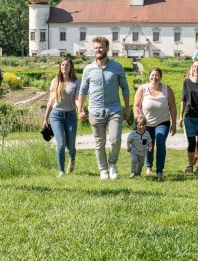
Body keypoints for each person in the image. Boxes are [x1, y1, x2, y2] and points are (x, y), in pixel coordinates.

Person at [77, 36, 130, 180]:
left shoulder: (117, 67)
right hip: (95, 110)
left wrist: (127, 108)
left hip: (114, 110)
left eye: (100, 47)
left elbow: (125, 88)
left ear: (107, 49)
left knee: (115, 140)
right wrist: (80, 109)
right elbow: (82, 91)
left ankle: (112, 164)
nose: (98, 50)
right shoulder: (88, 69)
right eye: (95, 48)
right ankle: (103, 170)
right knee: (99, 143)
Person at [133, 67, 177, 181]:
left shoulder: (167, 89)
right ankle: (149, 165)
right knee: (148, 145)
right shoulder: (143, 89)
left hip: (163, 122)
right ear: (149, 76)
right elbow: (136, 107)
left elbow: (172, 107)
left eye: (157, 75)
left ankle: (159, 171)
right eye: (152, 75)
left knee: (160, 141)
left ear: (161, 77)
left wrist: (174, 123)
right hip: (146, 124)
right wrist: (138, 121)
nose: (154, 77)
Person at [42, 57, 80, 177]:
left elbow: (78, 98)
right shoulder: (55, 81)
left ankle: (72, 159)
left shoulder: (76, 82)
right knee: (61, 144)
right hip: (56, 115)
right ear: (60, 67)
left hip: (71, 115)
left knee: (71, 146)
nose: (64, 67)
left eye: (67, 65)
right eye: (62, 65)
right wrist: (45, 118)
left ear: (71, 67)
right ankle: (61, 171)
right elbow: (51, 101)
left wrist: (81, 110)